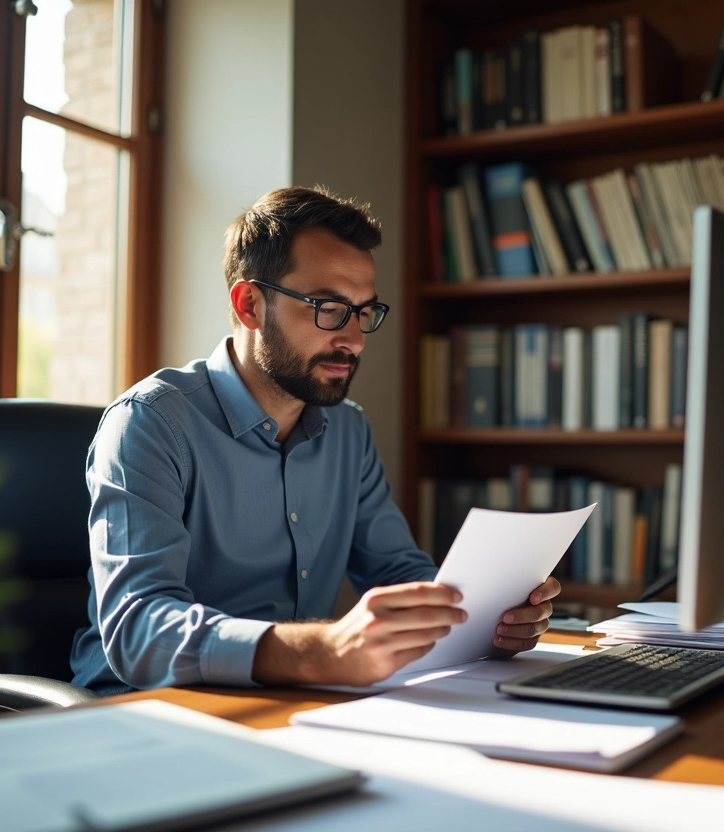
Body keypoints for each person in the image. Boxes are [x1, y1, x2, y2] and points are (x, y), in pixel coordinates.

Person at [70, 185, 561, 694]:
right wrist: (321, 651)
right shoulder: (149, 424)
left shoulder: (348, 429)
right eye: (329, 308)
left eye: (364, 312)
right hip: (148, 713)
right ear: (249, 304)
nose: (353, 340)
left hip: (295, 703)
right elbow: (139, 632)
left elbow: (397, 571)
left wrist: (484, 621)